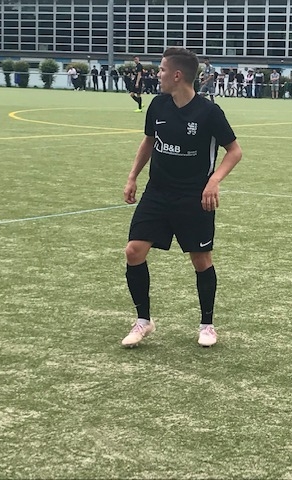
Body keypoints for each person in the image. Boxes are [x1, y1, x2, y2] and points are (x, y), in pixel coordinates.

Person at [121, 47, 243, 348]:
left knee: (201, 260)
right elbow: (149, 141)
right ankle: (143, 321)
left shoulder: (209, 112)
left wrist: (214, 181)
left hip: (194, 197)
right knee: (134, 252)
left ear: (177, 75)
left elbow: (235, 151)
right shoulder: (158, 105)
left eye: (162, 69)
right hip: (157, 193)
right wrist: (133, 176)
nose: (158, 74)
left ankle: (207, 325)